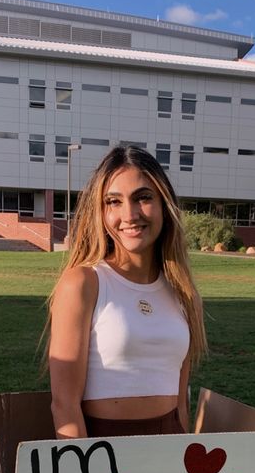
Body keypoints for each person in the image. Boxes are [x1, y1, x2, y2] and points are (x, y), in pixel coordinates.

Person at [47, 145, 206, 440]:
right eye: (113, 202)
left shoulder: (185, 294)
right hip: (101, 451)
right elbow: (64, 406)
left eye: (143, 198)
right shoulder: (83, 283)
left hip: (169, 449)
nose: (129, 215)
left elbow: (181, 402)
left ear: (163, 204)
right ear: (101, 210)